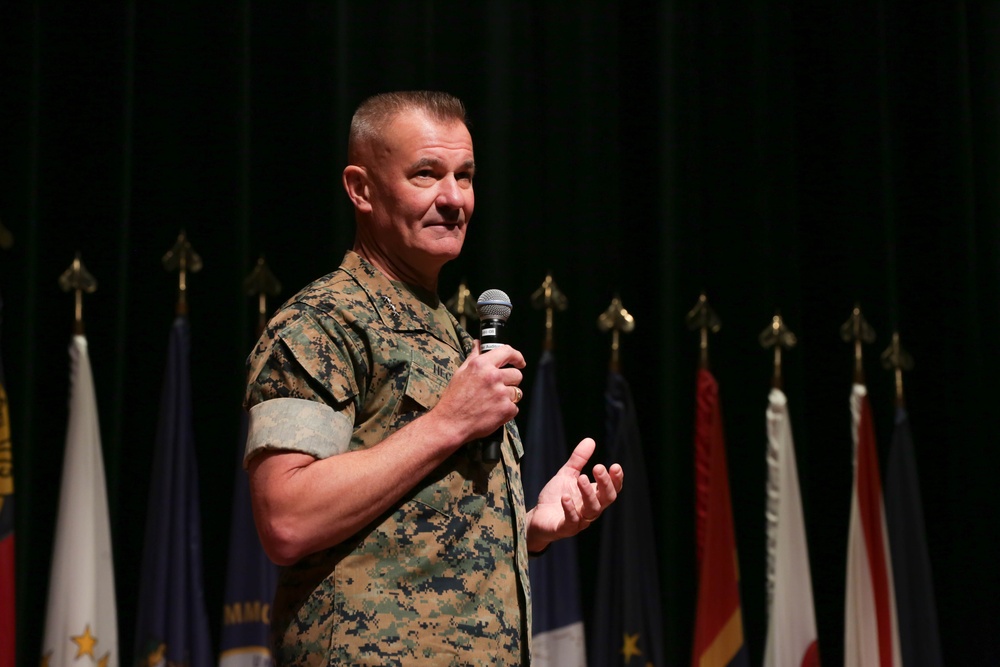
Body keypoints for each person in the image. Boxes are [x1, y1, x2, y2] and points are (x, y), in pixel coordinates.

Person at [243, 90, 624, 666]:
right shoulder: (321, 322)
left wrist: (530, 529)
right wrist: (447, 423)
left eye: (465, 176)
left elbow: (417, 540)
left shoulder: (449, 333)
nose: (454, 199)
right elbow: (286, 518)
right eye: (426, 174)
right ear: (361, 188)